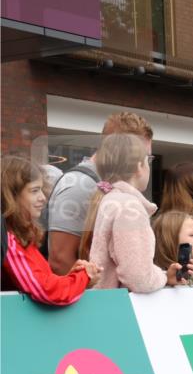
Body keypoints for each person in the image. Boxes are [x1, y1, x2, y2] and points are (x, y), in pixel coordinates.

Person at [45, 112, 154, 275]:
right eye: (142, 157)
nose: (144, 165)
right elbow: (60, 261)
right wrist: (98, 288)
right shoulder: (78, 186)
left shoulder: (114, 188)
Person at [81, 134, 190, 292]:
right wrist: (163, 277)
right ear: (139, 167)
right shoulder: (129, 207)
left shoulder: (110, 199)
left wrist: (165, 276)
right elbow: (139, 279)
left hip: (107, 300)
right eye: (148, 160)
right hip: (124, 304)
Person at [1, 157, 101, 304]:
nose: (43, 198)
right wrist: (83, 277)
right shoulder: (8, 239)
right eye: (34, 191)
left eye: (41, 190)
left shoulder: (19, 236)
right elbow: (45, 290)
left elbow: (44, 281)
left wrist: (72, 278)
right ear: (12, 195)